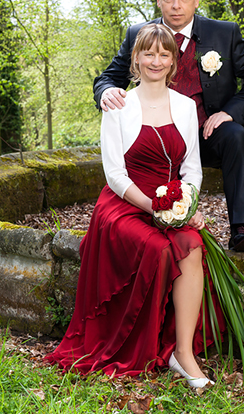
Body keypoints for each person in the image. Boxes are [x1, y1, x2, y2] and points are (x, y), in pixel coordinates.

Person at [45, 24, 225, 386]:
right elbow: (114, 174)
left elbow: (191, 168)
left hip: (170, 200)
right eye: (148, 53)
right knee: (158, 248)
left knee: (192, 246)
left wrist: (184, 207)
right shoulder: (118, 104)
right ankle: (136, 343)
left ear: (174, 61)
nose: (155, 61)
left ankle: (182, 353)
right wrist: (155, 208)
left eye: (164, 54)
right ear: (136, 59)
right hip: (125, 203)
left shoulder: (187, 107)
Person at [93, 0, 244, 253]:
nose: (176, 6)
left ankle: (241, 229)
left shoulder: (224, 34)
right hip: (159, 145)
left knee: (236, 134)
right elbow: (108, 78)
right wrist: (105, 93)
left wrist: (229, 112)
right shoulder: (138, 34)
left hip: (207, 135)